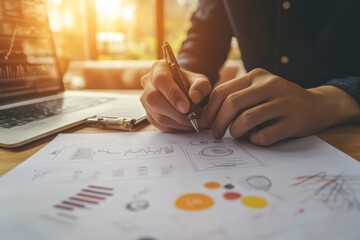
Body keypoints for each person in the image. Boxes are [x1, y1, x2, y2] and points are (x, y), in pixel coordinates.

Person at [140, 0, 360, 146]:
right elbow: (203, 41)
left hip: (346, 136)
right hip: (252, 136)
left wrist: (329, 100)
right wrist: (181, 80)